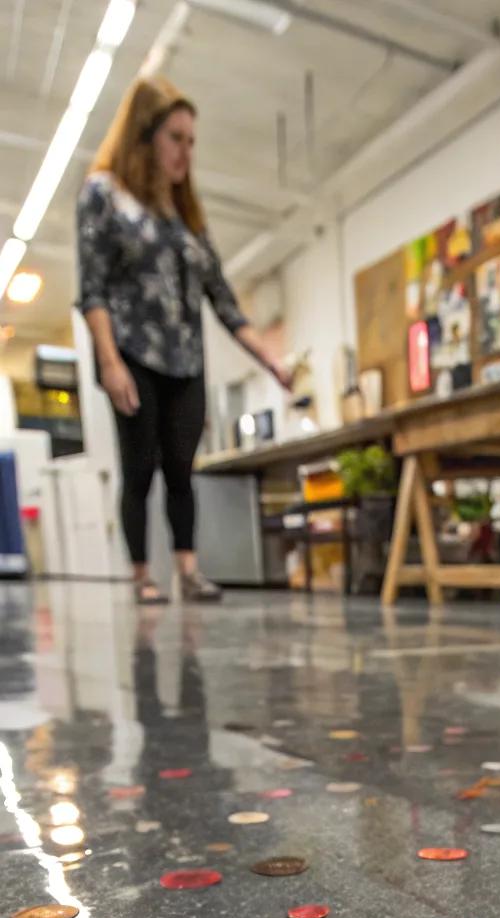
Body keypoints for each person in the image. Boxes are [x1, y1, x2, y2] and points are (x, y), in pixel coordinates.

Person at [76, 76, 292, 604]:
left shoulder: (185, 219)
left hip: (185, 361)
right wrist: (109, 361)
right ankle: (141, 574)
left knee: (181, 470)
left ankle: (189, 571)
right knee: (139, 470)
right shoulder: (105, 194)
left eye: (192, 141)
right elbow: (93, 287)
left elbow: (223, 300)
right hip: (133, 353)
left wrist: (271, 360)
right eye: (177, 138)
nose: (185, 152)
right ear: (146, 136)